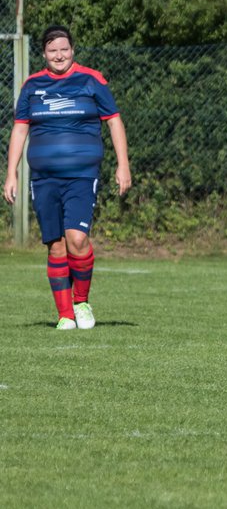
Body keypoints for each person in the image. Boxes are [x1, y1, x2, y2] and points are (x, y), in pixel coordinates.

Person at [4, 25, 132, 329]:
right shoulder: (32, 86)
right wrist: (11, 173)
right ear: (44, 54)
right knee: (56, 245)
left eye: (64, 49)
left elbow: (114, 121)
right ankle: (64, 316)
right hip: (43, 178)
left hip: (81, 175)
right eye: (52, 50)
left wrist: (123, 164)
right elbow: (20, 128)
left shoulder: (92, 80)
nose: (59, 55)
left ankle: (82, 302)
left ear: (72, 50)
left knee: (77, 239)